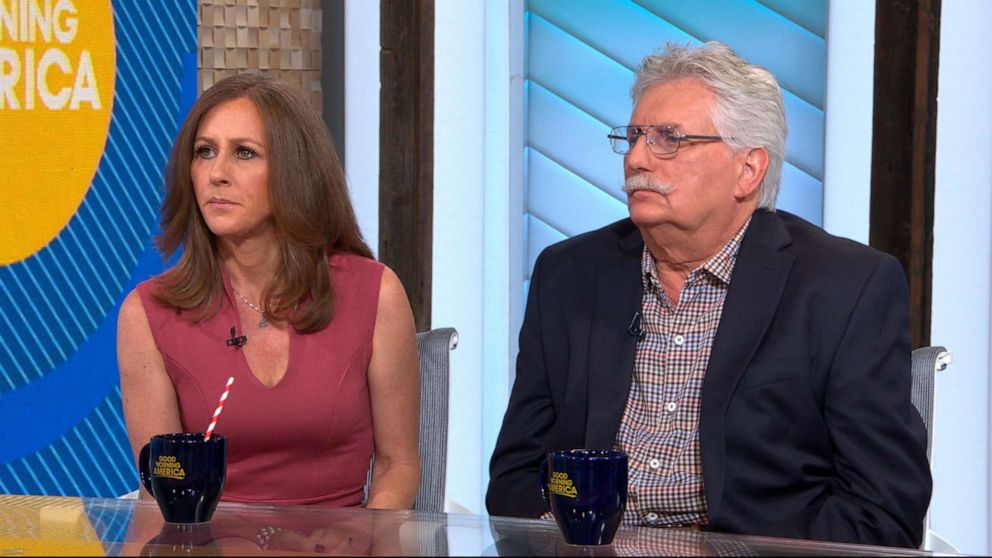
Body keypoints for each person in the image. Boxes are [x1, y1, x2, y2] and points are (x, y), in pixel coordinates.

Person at [487, 42, 931, 548]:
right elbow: (514, 479)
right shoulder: (567, 274)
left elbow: (884, 511)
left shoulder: (845, 287)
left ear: (748, 169)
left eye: (668, 139)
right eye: (633, 137)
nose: (636, 158)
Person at [118, 73, 420, 509]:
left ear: (294, 170)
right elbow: (162, 490)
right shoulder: (150, 313)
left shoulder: (374, 294)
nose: (217, 174)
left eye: (244, 153)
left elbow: (399, 465)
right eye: (205, 152)